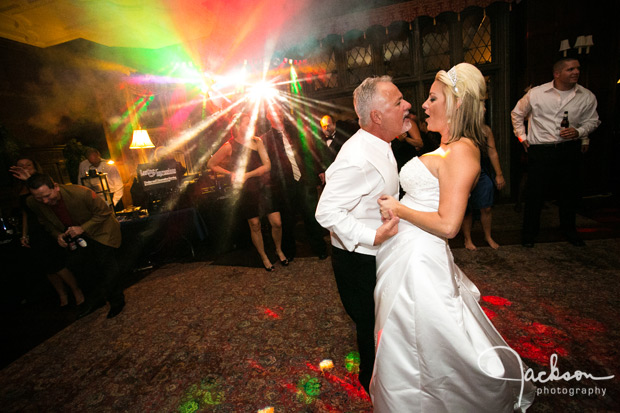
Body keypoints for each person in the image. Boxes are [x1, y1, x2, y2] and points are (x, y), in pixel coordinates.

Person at [373, 63, 535, 411]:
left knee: (424, 338)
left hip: (422, 260)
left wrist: (399, 210)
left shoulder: (463, 151)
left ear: (457, 103)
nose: (424, 105)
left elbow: (449, 225)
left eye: (433, 98)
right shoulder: (447, 146)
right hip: (406, 252)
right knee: (408, 339)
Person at [315, 75, 409, 393]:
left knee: (382, 322)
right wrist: (372, 237)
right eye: (398, 101)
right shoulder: (358, 157)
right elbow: (325, 211)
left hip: (374, 254)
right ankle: (373, 385)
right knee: (369, 325)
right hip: (358, 260)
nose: (407, 105)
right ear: (377, 117)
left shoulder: (380, 144)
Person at [511, 57, 600, 247]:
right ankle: (529, 235)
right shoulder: (536, 94)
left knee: (569, 192)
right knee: (535, 194)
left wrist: (579, 132)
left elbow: (593, 121)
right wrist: (522, 138)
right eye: (570, 69)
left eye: (577, 68)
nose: (575, 72)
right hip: (541, 150)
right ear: (557, 73)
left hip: (569, 149)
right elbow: (517, 114)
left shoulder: (586, 96)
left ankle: (569, 230)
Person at [26, 173, 126, 319]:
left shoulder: (81, 193)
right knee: (84, 269)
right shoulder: (33, 203)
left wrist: (83, 227)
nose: (45, 201)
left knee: (106, 266)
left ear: (55, 187)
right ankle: (96, 301)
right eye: (39, 198)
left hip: (101, 231)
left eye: (47, 195)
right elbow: (45, 222)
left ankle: (117, 302)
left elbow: (104, 213)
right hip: (76, 237)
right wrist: (57, 235)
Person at [207, 113, 288, 271]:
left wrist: (246, 175)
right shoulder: (229, 146)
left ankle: (278, 249)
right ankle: (264, 256)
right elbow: (211, 164)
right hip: (247, 190)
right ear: (237, 126)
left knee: (277, 222)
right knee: (255, 224)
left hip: (264, 186)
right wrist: (230, 174)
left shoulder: (257, 141)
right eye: (246, 123)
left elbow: (267, 166)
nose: (250, 126)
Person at [9, 158, 84, 307]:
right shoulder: (20, 188)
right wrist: (24, 234)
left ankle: (77, 291)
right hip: (34, 227)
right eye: (21, 166)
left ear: (35, 166)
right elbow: (26, 212)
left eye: (27, 165)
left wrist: (29, 179)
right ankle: (62, 294)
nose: (24, 168)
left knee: (56, 263)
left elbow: (52, 201)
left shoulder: (45, 182)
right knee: (47, 266)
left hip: (49, 225)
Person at [262, 104, 327, 261]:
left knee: (311, 216)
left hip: (304, 179)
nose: (277, 114)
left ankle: (320, 248)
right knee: (287, 220)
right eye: (273, 112)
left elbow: (309, 150)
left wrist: (319, 169)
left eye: (278, 111)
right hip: (284, 184)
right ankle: (289, 252)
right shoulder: (265, 139)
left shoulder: (296, 131)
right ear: (268, 117)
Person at [461, 124, 506, 250]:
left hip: (482, 171)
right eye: (481, 104)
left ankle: (488, 236)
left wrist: (499, 174)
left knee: (486, 207)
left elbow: (492, 152)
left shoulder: (485, 129)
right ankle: (468, 239)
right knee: (466, 208)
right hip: (463, 170)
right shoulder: (459, 127)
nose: (485, 108)